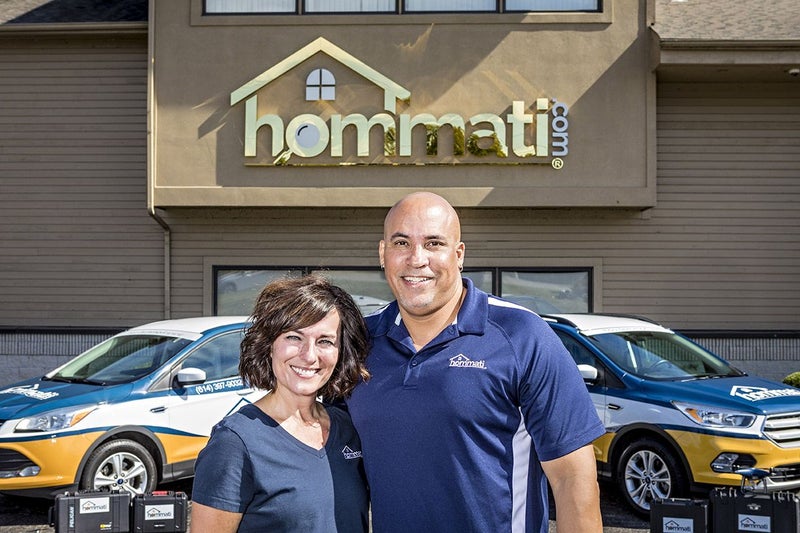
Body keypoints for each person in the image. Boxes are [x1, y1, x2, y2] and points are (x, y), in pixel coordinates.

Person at [346, 192, 606, 533]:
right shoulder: (359, 341)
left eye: (434, 243)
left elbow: (572, 480)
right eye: (401, 243)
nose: (416, 258)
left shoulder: (522, 335)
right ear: (383, 254)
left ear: (459, 254)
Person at [191, 275, 371, 533]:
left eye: (325, 341)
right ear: (269, 345)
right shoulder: (235, 442)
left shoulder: (348, 428)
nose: (309, 356)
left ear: (341, 351)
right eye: (294, 338)